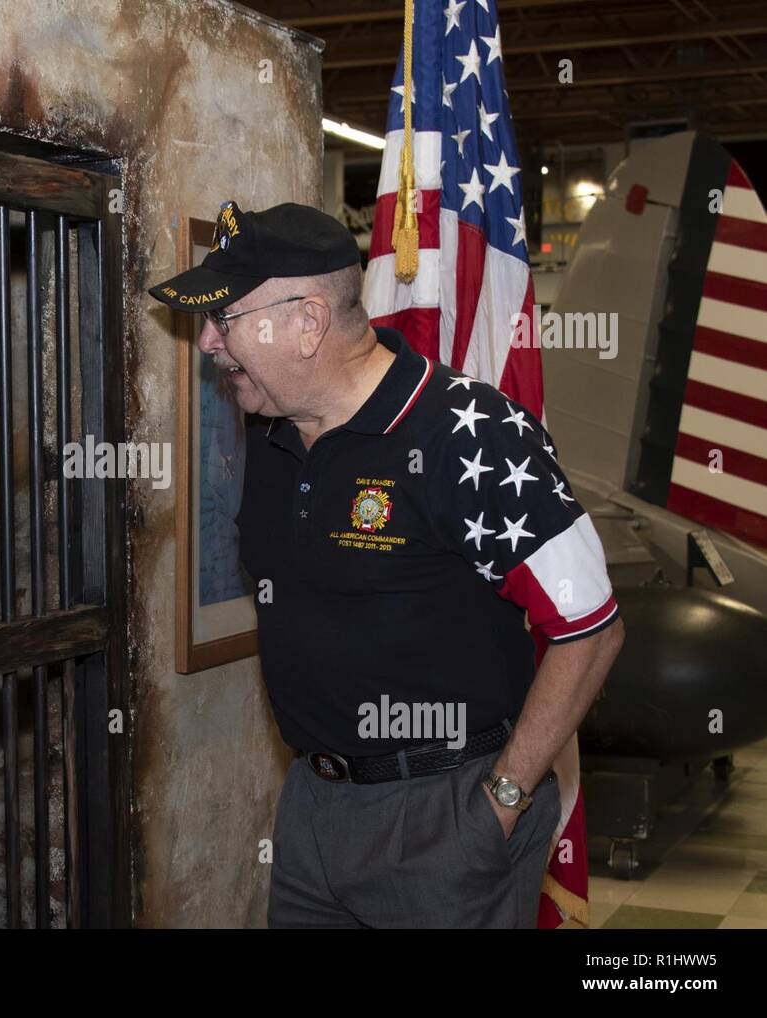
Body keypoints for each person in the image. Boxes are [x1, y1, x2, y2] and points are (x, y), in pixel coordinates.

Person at [148, 201, 625, 928]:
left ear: (308, 321)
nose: (209, 342)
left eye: (227, 318)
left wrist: (500, 800)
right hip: (313, 803)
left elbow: (591, 629)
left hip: (445, 816)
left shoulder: (473, 436)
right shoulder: (272, 438)